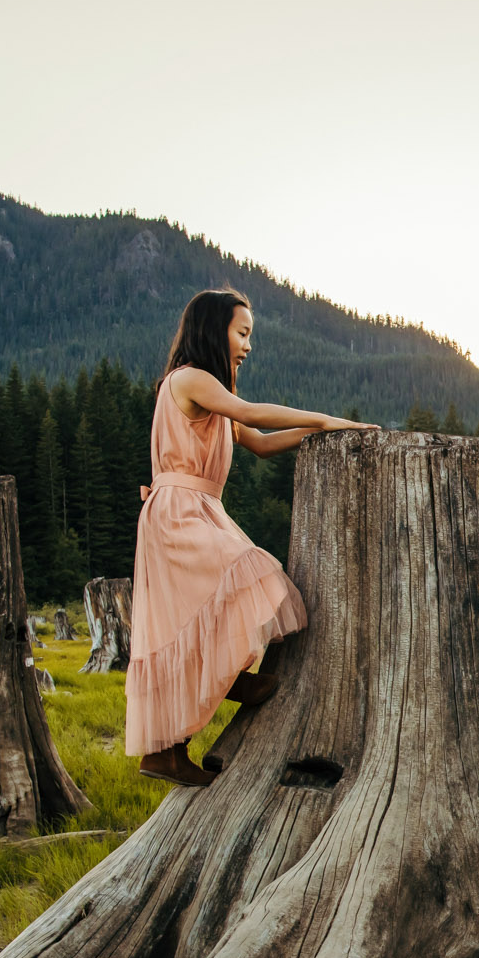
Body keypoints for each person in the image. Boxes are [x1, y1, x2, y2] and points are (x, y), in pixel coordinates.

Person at [126, 288, 371, 786]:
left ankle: (174, 744)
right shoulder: (191, 379)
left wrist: (321, 435)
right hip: (179, 510)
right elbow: (253, 414)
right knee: (246, 575)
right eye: (242, 334)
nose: (248, 346)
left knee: (191, 619)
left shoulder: (209, 394)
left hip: (197, 508)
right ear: (214, 331)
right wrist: (323, 417)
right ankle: (194, 716)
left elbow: (258, 443)